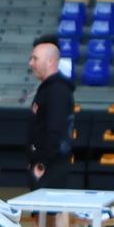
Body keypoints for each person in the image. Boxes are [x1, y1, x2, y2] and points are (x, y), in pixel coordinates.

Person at [26, 39, 75, 191]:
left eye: (35, 59)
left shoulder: (57, 91)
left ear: (50, 61)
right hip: (47, 162)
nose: (31, 63)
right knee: (46, 211)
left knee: (52, 211)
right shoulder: (48, 88)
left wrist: (42, 163)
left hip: (51, 165)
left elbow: (55, 130)